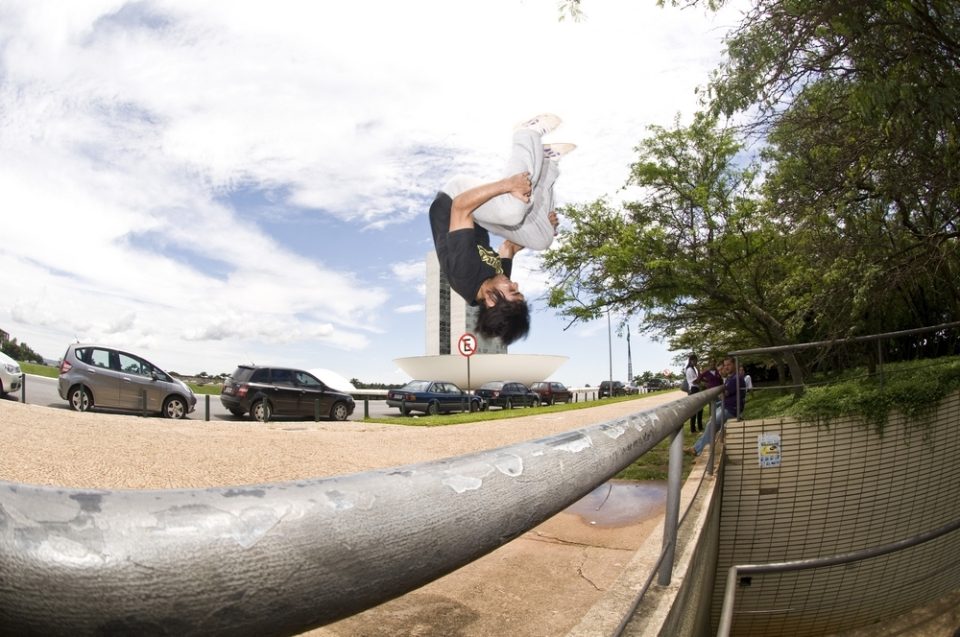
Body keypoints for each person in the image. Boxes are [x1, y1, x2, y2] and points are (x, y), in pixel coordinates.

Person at [428, 114, 571, 345]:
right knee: (544, 240)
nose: (514, 284)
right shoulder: (498, 283)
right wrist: (545, 227)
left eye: (513, 291)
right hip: (478, 217)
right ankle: (546, 163)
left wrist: (507, 185)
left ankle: (526, 134)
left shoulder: (464, 275)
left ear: (492, 301)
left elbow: (460, 208)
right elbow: (510, 247)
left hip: (456, 198)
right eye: (518, 290)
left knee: (512, 211)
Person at [692, 357, 747, 455]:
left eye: (728, 365)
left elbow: (723, 394)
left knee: (711, 424)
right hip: (726, 406)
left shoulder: (736, 378)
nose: (726, 367)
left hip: (732, 409)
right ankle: (696, 448)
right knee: (710, 422)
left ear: (735, 364)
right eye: (725, 365)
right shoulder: (731, 377)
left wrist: (715, 391)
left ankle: (699, 451)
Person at [685, 354, 703, 433]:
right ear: (692, 360)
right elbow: (696, 381)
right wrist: (699, 371)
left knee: (699, 409)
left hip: (695, 389)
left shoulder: (692, 369)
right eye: (696, 361)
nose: (697, 362)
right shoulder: (690, 370)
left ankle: (699, 427)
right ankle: (694, 428)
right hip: (693, 389)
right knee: (696, 410)